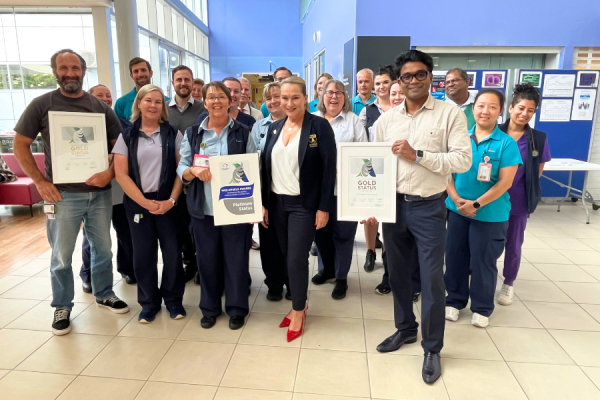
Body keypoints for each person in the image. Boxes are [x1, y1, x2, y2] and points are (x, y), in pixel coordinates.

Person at [364, 50, 471, 384]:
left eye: (420, 74)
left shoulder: (449, 114)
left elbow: (463, 160)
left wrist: (418, 155)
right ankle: (405, 329)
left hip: (429, 206)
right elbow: (372, 165)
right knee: (397, 274)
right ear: (399, 81)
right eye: (406, 76)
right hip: (392, 206)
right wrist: (367, 201)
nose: (413, 81)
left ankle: (432, 347)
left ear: (430, 77)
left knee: (431, 280)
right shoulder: (386, 121)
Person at [13, 49, 129, 336]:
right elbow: (20, 144)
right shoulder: (42, 105)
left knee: (103, 249)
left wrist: (109, 173)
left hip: (99, 193)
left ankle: (103, 293)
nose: (70, 73)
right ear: (55, 71)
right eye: (63, 67)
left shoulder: (100, 107)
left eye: (75, 67)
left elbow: (120, 145)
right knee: (62, 255)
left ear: (83, 70)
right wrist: (40, 182)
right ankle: (62, 305)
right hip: (61, 196)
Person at [261, 76, 336, 342]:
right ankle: (300, 303)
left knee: (296, 258)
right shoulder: (274, 128)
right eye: (284, 98)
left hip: (304, 206)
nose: (289, 103)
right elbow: (265, 168)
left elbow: (329, 170)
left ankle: (298, 309)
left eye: (295, 97)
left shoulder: (320, 126)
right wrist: (264, 204)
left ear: (306, 98)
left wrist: (323, 207)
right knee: (286, 255)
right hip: (277, 204)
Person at [178, 81, 257, 331]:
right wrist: (192, 171)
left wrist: (255, 206)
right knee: (207, 261)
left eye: (221, 96)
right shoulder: (194, 133)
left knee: (236, 261)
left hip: (235, 209)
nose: (216, 101)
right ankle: (210, 309)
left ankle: (236, 309)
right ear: (205, 101)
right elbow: (182, 167)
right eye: (210, 97)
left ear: (229, 100)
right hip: (204, 210)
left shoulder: (243, 132)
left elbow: (254, 167)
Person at [444, 89, 522, 328]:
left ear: (500, 111)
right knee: (455, 258)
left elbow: (505, 182)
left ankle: (482, 307)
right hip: (457, 211)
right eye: (480, 105)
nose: (484, 111)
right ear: (473, 108)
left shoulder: (506, 144)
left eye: (492, 107)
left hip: (489, 214)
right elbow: (447, 171)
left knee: (483, 261)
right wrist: (457, 199)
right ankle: (455, 301)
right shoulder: (460, 139)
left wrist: (476, 204)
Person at [114, 84, 186, 323]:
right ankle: (148, 303)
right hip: (138, 205)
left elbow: (181, 170)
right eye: (148, 101)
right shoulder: (127, 135)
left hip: (168, 204)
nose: (153, 105)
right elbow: (121, 174)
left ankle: (174, 301)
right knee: (143, 255)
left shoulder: (172, 133)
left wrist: (172, 200)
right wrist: (144, 202)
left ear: (163, 107)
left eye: (158, 102)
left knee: (173, 254)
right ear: (139, 104)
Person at [311, 79, 367, 300]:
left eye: (339, 93)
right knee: (320, 233)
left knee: (343, 235)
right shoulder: (312, 120)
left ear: (345, 97)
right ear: (322, 95)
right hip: (317, 191)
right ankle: (326, 270)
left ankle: (342, 277)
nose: (334, 97)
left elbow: (364, 155)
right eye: (329, 92)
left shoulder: (353, 121)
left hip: (346, 190)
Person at [497, 83, 550, 306]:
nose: (524, 114)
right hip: (491, 197)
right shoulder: (495, 132)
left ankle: (508, 283)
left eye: (530, 110)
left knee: (514, 242)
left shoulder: (537, 138)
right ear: (510, 108)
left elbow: (538, 169)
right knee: (485, 242)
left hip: (518, 199)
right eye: (520, 108)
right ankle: (481, 279)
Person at [80, 85, 135, 293]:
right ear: (89, 98)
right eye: (99, 95)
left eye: (108, 95)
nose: (105, 98)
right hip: (92, 189)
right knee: (92, 236)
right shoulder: (81, 124)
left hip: (120, 188)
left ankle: (127, 269)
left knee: (125, 232)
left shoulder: (123, 124)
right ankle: (87, 274)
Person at [167, 65, 206, 283]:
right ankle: (189, 262)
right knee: (180, 226)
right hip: (172, 179)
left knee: (199, 226)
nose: (183, 83)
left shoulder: (204, 109)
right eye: (179, 79)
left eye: (187, 80)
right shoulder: (163, 110)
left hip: (197, 179)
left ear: (193, 83)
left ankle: (203, 265)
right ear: (173, 82)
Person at [251, 82, 289, 301]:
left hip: (291, 192)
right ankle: (273, 283)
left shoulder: (296, 124)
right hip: (266, 193)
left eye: (278, 96)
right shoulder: (259, 127)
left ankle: (292, 282)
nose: (273, 101)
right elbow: (251, 159)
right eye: (269, 98)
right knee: (269, 241)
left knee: (291, 242)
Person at [358, 65, 395, 280]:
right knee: (371, 216)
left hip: (396, 169)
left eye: (385, 83)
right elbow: (362, 141)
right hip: (373, 168)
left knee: (390, 217)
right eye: (378, 83)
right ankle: (371, 251)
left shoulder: (400, 107)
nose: (381, 87)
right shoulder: (367, 110)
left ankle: (388, 255)